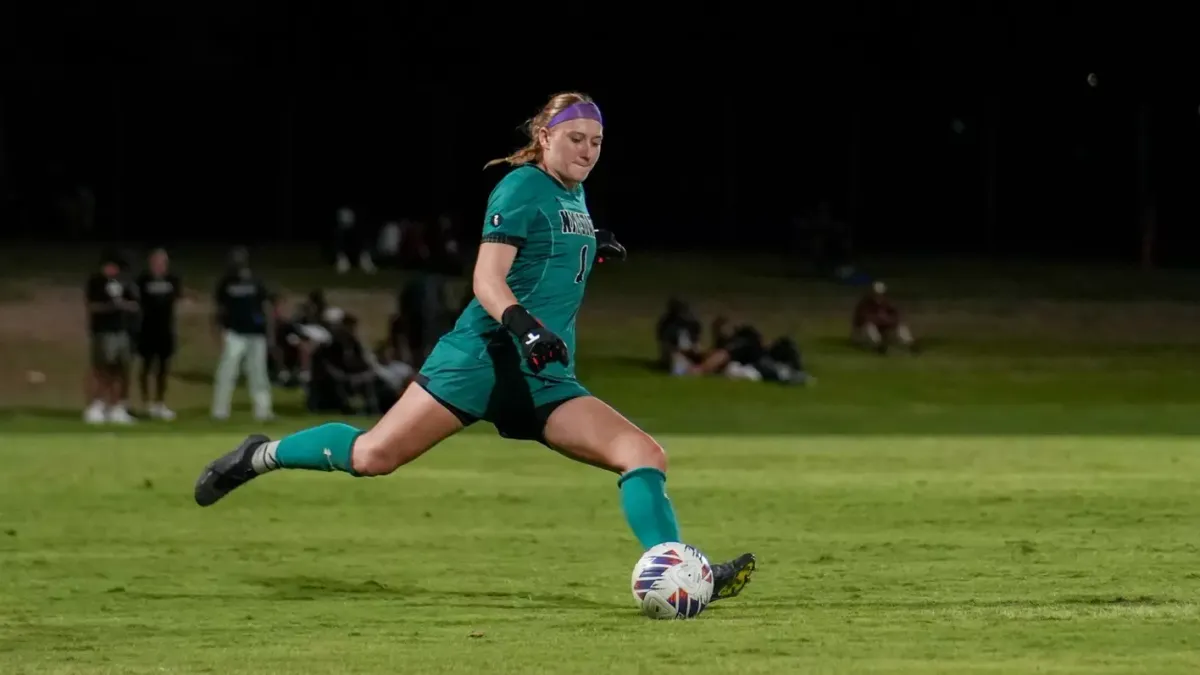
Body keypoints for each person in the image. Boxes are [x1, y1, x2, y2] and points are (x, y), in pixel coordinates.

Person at [192, 92, 756, 602]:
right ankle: (258, 455)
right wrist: (524, 326)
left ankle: (683, 574)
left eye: (596, 142)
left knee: (644, 454)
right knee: (372, 456)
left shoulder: (574, 193)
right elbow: (487, 278)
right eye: (576, 139)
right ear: (545, 137)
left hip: (542, 376)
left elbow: (549, 247)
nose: (587, 151)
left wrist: (592, 242)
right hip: (483, 359)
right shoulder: (519, 186)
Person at [211, 246, 275, 421]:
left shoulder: (256, 281)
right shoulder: (226, 283)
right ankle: (220, 411)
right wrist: (219, 332)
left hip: (256, 333)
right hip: (234, 333)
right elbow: (219, 309)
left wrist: (269, 332)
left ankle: (263, 411)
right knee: (227, 372)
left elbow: (265, 307)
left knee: (259, 373)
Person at [83, 250, 138, 424]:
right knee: (102, 369)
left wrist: (124, 306)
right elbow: (92, 306)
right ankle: (96, 405)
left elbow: (135, 304)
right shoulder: (96, 282)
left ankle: (117, 407)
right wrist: (112, 306)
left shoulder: (125, 283)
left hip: (122, 331)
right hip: (103, 331)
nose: (112, 270)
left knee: (121, 370)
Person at [134, 248, 182, 420]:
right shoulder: (143, 280)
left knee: (163, 368)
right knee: (146, 367)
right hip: (147, 329)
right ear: (151, 262)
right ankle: (146, 403)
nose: (160, 265)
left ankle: (160, 403)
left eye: (163, 262)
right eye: (157, 262)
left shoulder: (173, 280)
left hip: (165, 330)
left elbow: (177, 299)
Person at [852, 280, 917, 354]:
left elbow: (896, 316)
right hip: (864, 334)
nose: (878, 295)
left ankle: (910, 344)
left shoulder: (887, 303)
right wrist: (882, 319)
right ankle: (879, 346)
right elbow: (863, 320)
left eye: (880, 294)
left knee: (900, 326)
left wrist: (888, 320)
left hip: (883, 330)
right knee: (869, 327)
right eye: (876, 293)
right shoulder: (864, 304)